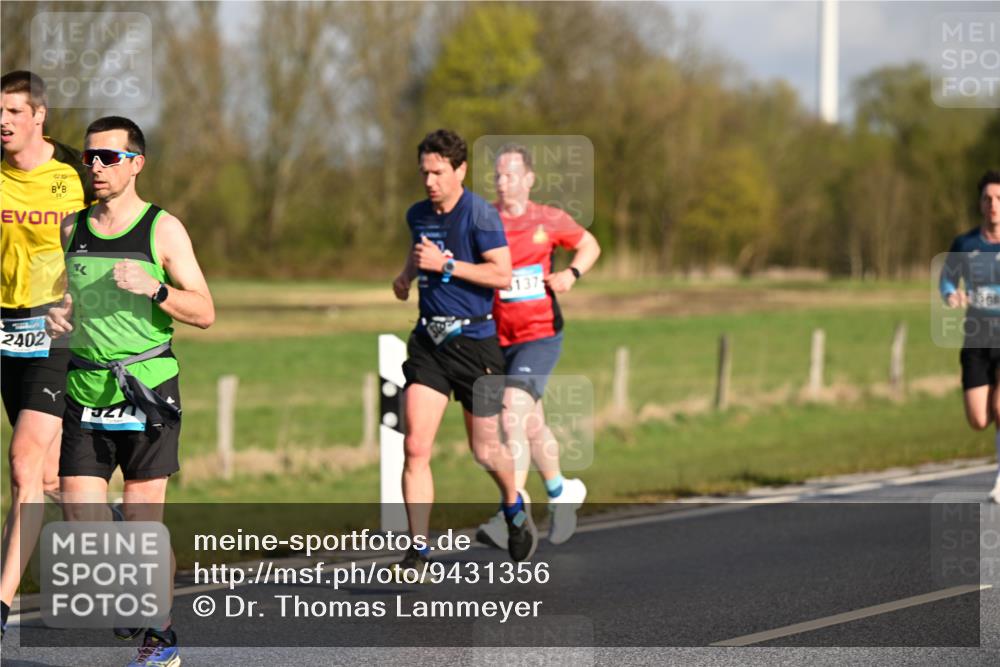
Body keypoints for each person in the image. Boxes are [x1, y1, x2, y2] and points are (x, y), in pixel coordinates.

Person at [46, 115, 214, 667]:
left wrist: (155, 287)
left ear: (136, 163)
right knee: (80, 521)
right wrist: (60, 316)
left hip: (147, 390)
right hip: (86, 387)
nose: (96, 166)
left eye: (108, 157)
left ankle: (160, 636)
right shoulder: (72, 229)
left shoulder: (162, 229)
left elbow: (205, 311)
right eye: (89, 157)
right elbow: (73, 300)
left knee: (145, 524)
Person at [391, 129, 537, 574]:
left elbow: (502, 275)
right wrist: (406, 276)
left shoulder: (480, 215)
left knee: (486, 450)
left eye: (438, 172)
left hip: (475, 345)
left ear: (460, 170)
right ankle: (418, 549)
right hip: (429, 342)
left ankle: (513, 506)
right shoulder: (417, 213)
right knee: (415, 445)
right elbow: (420, 251)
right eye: (424, 172)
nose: (429, 181)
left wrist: (447, 266)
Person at [0, 71, 91, 637]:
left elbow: (110, 239)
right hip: (4, 329)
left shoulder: (76, 175)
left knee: (21, 463)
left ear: (39, 115)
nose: (3, 121)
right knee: (54, 481)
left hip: (56, 331)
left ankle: (1, 605)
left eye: (13, 111)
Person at [476, 145, 601, 549]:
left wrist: (572, 274)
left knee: (511, 412)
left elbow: (590, 244)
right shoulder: (484, 220)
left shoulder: (548, 218)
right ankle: (561, 491)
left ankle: (511, 513)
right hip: (495, 336)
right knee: (530, 425)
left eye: (510, 174)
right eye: (497, 175)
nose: (502, 182)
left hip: (540, 334)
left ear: (529, 179)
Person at [940, 170, 1000, 502]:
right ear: (979, 204)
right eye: (988, 199)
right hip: (977, 339)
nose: (993, 205)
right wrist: (951, 294)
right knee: (979, 418)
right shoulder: (965, 244)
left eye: (999, 199)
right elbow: (947, 279)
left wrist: (989, 295)